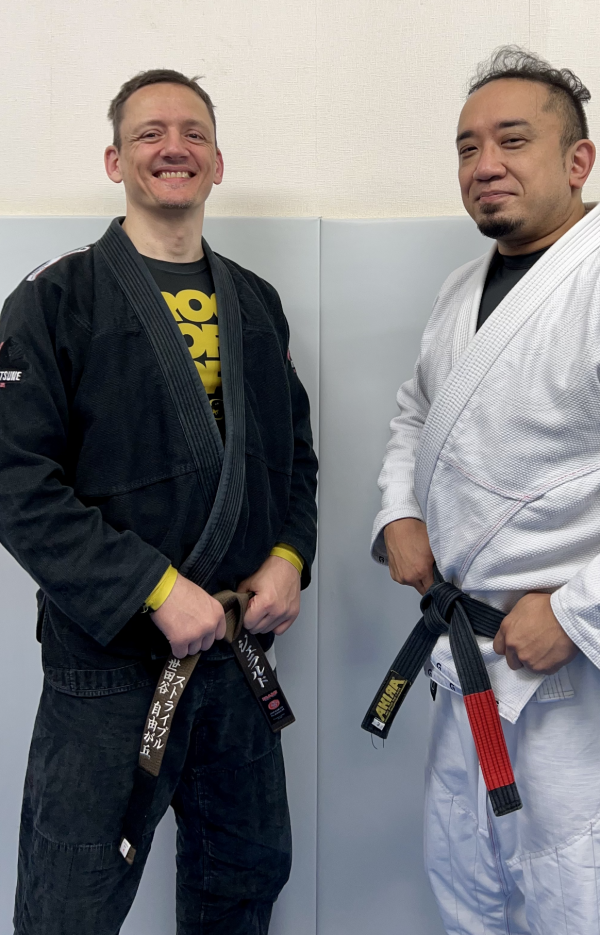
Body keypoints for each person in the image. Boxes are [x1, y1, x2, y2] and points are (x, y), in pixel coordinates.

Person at [371, 46, 600, 935]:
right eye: (468, 147)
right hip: (468, 670)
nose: (485, 164)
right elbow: (415, 411)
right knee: (469, 886)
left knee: (581, 899)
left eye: (512, 140)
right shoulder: (460, 291)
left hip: (571, 684)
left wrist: (581, 614)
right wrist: (401, 509)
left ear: (577, 160)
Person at [0, 69, 317, 935]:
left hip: (236, 660)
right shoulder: (54, 299)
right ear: (116, 161)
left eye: (192, 133)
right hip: (107, 668)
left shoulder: (256, 302)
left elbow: (293, 455)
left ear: (217, 162)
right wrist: (152, 586)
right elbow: (16, 480)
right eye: (149, 133)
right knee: (69, 904)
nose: (173, 147)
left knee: (243, 883)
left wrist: (290, 555)